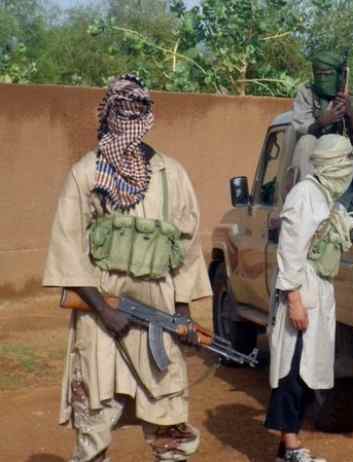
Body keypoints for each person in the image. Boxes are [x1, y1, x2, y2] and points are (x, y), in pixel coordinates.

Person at [42, 74, 211, 462]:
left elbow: (187, 247)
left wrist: (182, 315)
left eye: (138, 113)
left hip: (159, 313)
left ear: (148, 118)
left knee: (170, 424)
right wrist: (103, 309)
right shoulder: (87, 174)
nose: (130, 122)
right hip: (102, 318)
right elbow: (68, 249)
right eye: (123, 113)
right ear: (109, 116)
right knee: (95, 426)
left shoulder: (172, 175)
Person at [264, 134, 353, 462]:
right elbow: (290, 250)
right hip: (302, 289)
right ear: (333, 164)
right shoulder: (304, 195)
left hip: (319, 289)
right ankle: (290, 449)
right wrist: (293, 298)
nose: (349, 167)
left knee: (308, 373)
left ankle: (287, 446)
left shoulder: (326, 196)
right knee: (292, 371)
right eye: (346, 161)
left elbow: (343, 223)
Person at [291, 51, 353, 183]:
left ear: (340, 76)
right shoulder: (306, 94)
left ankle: (350, 185)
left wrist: (350, 112)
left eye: (328, 74)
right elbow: (300, 130)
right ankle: (308, 189)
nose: (323, 78)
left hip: (347, 161)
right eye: (319, 74)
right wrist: (322, 122)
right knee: (306, 140)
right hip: (316, 162)